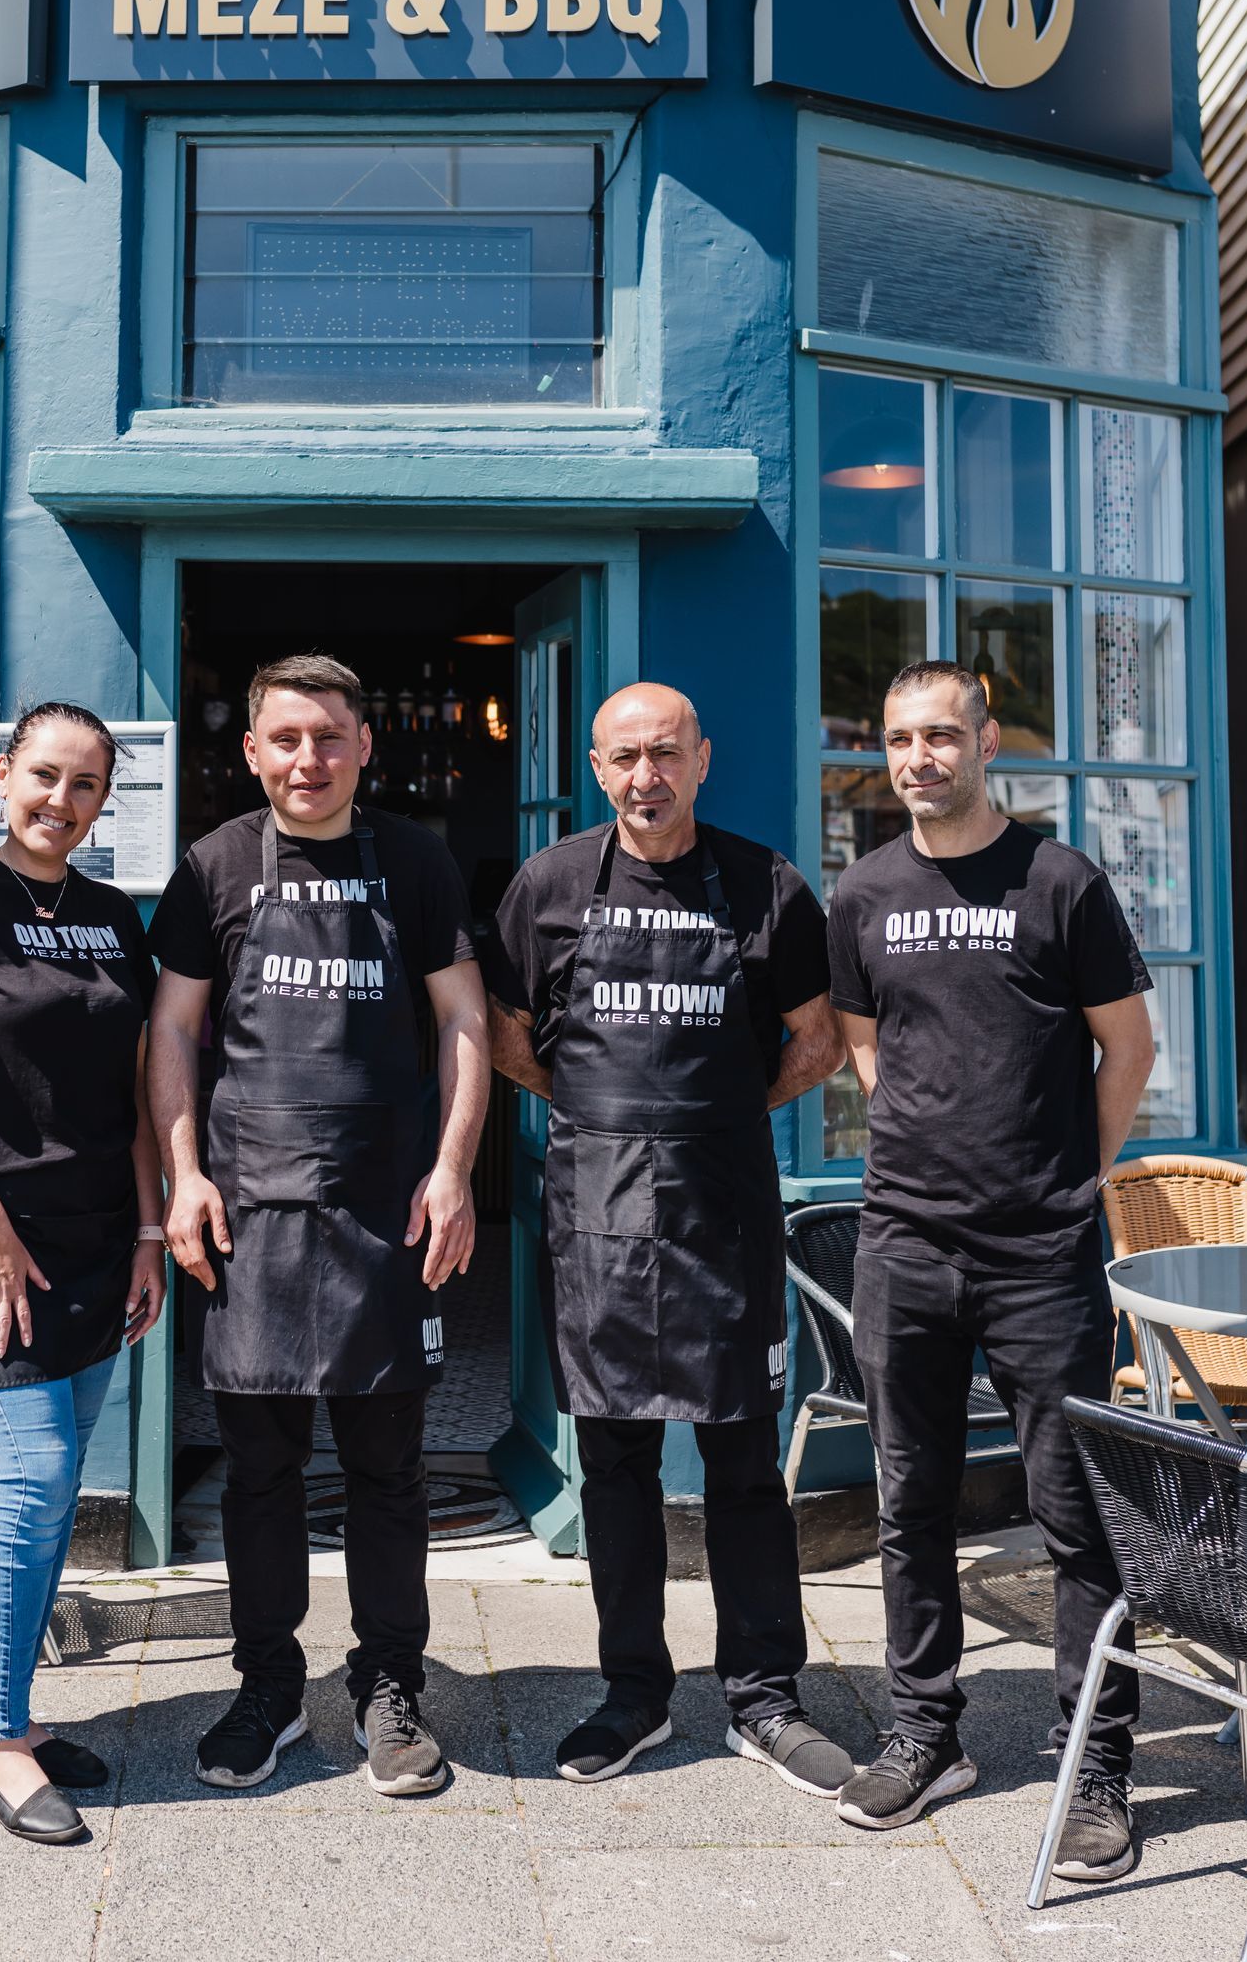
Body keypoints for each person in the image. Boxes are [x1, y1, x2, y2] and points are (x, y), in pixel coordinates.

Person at [485, 681, 853, 1793]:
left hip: (724, 1206)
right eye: (623, 758)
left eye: (665, 754)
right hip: (596, 1211)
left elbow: (822, 1037)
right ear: (598, 771)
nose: (645, 777)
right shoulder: (547, 886)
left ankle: (764, 1695)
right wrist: (604, 1114)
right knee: (614, 1464)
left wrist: (718, 1112)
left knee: (745, 1461)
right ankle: (633, 1693)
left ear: (702, 758)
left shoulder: (767, 884)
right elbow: (503, 1034)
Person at [827, 662, 1157, 1879]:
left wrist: (1067, 1175)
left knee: (1075, 1515)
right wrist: (932, 1147)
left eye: (943, 736)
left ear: (987, 741)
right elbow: (870, 1047)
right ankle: (926, 1733)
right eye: (902, 738)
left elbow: (1127, 1044)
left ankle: (1097, 1766)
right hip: (905, 1242)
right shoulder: (861, 892)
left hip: (1040, 1253)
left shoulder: (1060, 881)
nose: (921, 756)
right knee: (908, 1505)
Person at [147, 653, 490, 1798]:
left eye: (330, 738)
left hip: (388, 1208)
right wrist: (183, 1176)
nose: (309, 759)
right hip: (251, 1212)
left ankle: (391, 1684)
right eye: (286, 739)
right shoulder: (214, 867)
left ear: (363, 745)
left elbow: (465, 1024)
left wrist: (453, 1171)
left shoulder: (419, 861)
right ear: (251, 752)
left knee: (389, 1471)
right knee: (261, 1471)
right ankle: (267, 1685)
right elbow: (174, 1031)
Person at [0, 702, 168, 1846]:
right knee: (35, 1484)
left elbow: (144, 1085)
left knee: (50, 1496)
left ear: (107, 800)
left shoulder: (111, 918)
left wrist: (152, 1233)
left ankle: (13, 1715)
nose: (62, 800)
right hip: (1, 1247)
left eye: (86, 785)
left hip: (106, 1240)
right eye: (43, 777)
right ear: (3, 779)